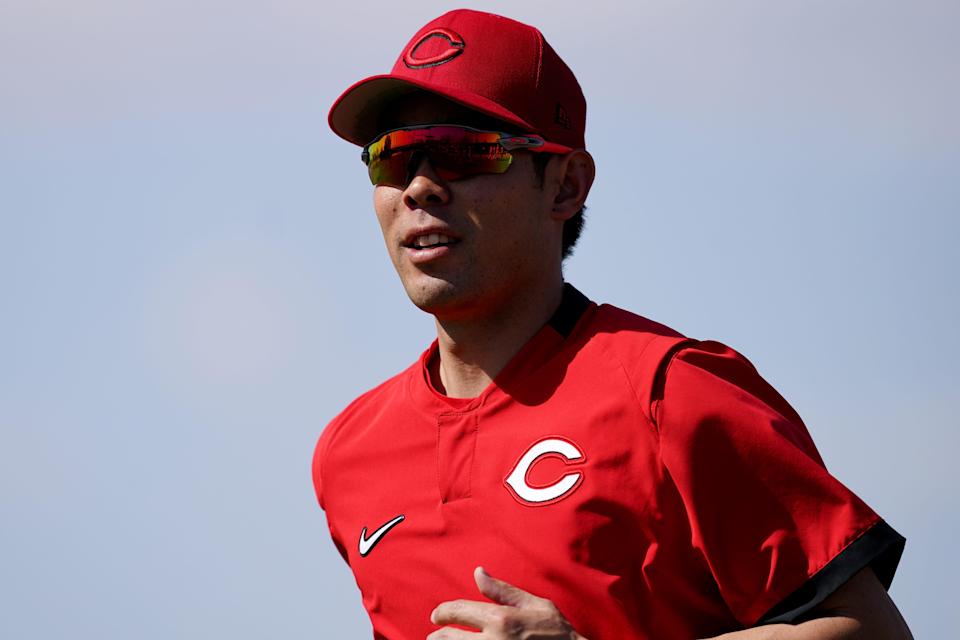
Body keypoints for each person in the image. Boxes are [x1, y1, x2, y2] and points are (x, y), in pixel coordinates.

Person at [313, 9, 912, 640]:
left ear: (566, 187)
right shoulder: (347, 453)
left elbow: (871, 632)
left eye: (466, 152)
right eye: (393, 156)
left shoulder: (676, 394)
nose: (420, 187)